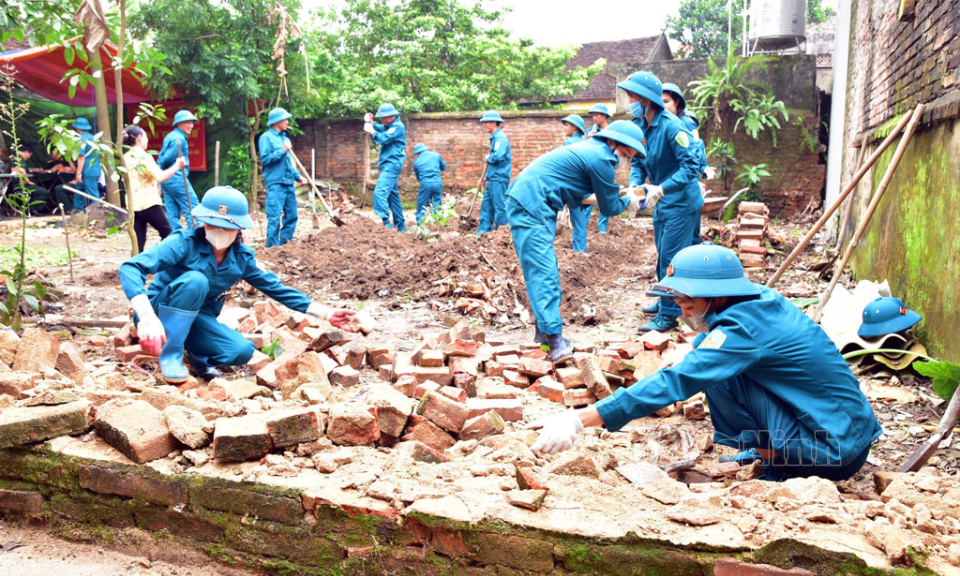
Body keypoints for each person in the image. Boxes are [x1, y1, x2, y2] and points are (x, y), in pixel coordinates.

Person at [531, 243, 882, 482]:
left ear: (715, 294)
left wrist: (579, 419)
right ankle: (764, 449)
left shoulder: (743, 327)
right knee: (708, 360)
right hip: (845, 431)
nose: (682, 313)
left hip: (834, 450)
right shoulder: (757, 302)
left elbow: (677, 381)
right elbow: (705, 351)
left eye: (687, 303)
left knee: (710, 375)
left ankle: (779, 464)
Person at [119, 186, 359, 383]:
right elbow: (130, 267)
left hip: (197, 320)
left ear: (239, 228)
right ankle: (170, 356)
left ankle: (194, 355)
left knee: (240, 351)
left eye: (225, 226)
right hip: (158, 317)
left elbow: (277, 289)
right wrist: (146, 316)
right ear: (202, 222)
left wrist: (327, 313)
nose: (217, 231)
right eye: (211, 224)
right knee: (196, 280)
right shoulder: (183, 243)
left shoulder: (241, 258)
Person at [506, 121, 646, 364]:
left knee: (539, 270)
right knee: (544, 272)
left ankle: (543, 333)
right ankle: (555, 339)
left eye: (630, 157)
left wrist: (623, 195)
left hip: (530, 201)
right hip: (532, 203)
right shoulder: (602, 159)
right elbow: (609, 207)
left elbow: (580, 195)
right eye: (626, 153)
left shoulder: (590, 150)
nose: (625, 160)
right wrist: (632, 199)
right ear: (613, 142)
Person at [620, 71, 703, 333]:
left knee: (672, 258)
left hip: (680, 202)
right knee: (663, 256)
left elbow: (691, 168)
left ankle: (668, 315)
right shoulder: (642, 127)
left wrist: (661, 188)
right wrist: (636, 184)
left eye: (632, 96)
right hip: (662, 203)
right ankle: (669, 300)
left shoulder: (672, 127)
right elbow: (638, 160)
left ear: (645, 99)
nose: (629, 101)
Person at [122, 125, 185, 253]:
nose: (147, 140)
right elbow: (161, 176)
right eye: (145, 137)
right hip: (148, 203)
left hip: (133, 204)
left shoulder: (125, 157)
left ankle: (135, 268)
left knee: (138, 241)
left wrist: (155, 183)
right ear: (139, 138)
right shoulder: (143, 156)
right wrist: (177, 165)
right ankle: (166, 259)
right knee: (167, 233)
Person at [259, 107, 306, 247]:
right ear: (276, 121)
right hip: (276, 184)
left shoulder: (285, 138)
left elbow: (288, 163)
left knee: (292, 216)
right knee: (274, 218)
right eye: (284, 119)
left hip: (288, 183)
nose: (287, 121)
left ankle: (284, 245)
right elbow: (265, 160)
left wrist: (298, 176)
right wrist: (282, 150)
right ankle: (272, 248)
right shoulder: (265, 138)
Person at [363, 103, 407, 232]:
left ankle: (386, 224)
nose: (381, 120)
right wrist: (369, 122)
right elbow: (379, 128)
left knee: (379, 193)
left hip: (392, 165)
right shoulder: (389, 125)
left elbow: (384, 137)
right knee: (392, 196)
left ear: (391, 116)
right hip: (389, 165)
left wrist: (372, 132)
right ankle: (401, 226)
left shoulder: (397, 127)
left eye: (383, 117)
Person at [157, 110, 201, 231]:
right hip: (176, 178)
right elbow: (165, 159)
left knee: (172, 211)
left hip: (166, 179)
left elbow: (160, 158)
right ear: (178, 123)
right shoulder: (179, 139)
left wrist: (159, 179)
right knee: (192, 206)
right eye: (187, 122)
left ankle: (175, 237)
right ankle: (195, 236)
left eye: (192, 122)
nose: (191, 125)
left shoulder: (170, 136)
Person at [477, 111, 511, 236]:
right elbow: (495, 164)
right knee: (486, 206)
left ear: (495, 123)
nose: (484, 125)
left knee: (499, 206)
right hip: (493, 178)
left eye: (486, 122)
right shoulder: (495, 138)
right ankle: (483, 233)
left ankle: (503, 234)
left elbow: (498, 157)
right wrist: (486, 177)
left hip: (499, 179)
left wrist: (488, 158)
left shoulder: (500, 138)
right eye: (484, 122)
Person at [585, 104, 613, 235]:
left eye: (598, 115)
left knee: (605, 196)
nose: (595, 117)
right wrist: (590, 138)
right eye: (593, 115)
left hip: (606, 166)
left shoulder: (612, 130)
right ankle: (583, 225)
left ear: (605, 116)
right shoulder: (591, 131)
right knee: (588, 195)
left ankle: (602, 228)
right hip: (592, 167)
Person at [8, 145, 50, 215]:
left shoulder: (14, 159)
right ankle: (33, 208)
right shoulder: (20, 159)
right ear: (26, 152)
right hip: (21, 184)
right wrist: (28, 181)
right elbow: (21, 170)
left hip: (14, 185)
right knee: (45, 192)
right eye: (30, 155)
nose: (29, 157)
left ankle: (30, 209)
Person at [411, 143, 447, 225]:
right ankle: (435, 223)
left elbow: (418, 177)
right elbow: (443, 167)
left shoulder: (416, 162)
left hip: (425, 184)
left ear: (417, 153)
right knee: (437, 202)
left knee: (422, 204)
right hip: (437, 183)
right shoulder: (436, 155)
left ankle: (420, 225)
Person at [73, 117, 102, 212]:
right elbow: (102, 155)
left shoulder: (81, 139)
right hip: (95, 170)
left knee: (93, 194)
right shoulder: (94, 139)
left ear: (77, 128)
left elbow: (81, 157)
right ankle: (78, 211)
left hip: (87, 171)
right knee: (79, 191)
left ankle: (99, 214)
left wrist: (78, 173)